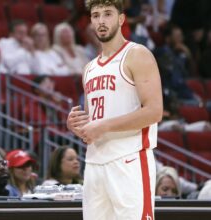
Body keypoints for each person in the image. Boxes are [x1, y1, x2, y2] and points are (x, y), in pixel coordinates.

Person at [67, 0, 163, 219]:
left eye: (108, 14)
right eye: (96, 15)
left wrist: (103, 126)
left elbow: (154, 111)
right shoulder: (89, 68)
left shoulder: (137, 55)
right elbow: (94, 123)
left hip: (129, 159)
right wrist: (78, 127)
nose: (101, 21)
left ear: (121, 19)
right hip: (94, 163)